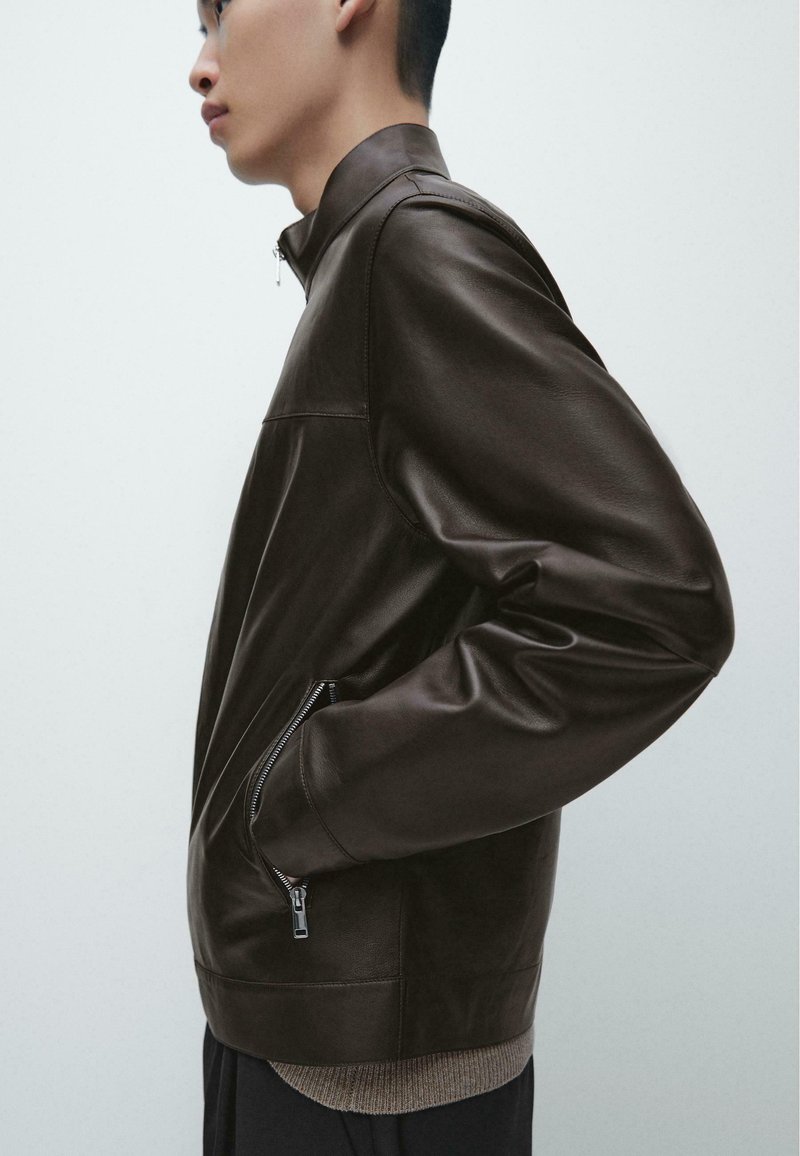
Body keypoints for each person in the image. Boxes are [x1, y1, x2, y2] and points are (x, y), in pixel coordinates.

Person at [186, 1, 735, 1152]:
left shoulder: (412, 248)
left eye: (220, 11)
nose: (200, 62)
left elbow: (652, 609)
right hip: (326, 1040)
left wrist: (301, 797)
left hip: (368, 1081)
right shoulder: (366, 259)